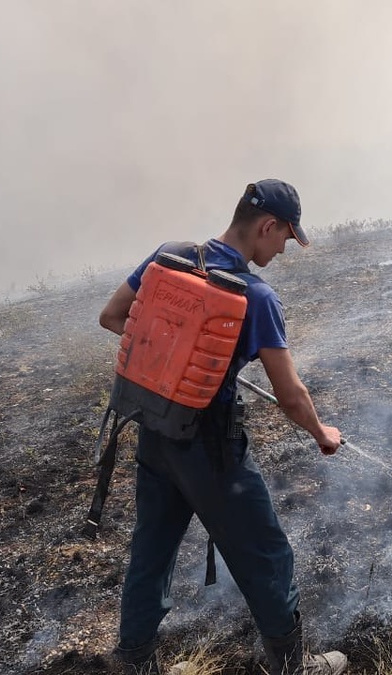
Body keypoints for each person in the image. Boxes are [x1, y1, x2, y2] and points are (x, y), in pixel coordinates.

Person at [97, 179, 348, 675]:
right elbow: (291, 395)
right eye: (286, 237)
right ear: (267, 226)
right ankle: (292, 667)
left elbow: (111, 317)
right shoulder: (256, 296)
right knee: (267, 554)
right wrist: (322, 433)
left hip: (155, 433)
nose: (283, 250)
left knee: (152, 550)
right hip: (212, 451)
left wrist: (176, 356)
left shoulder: (169, 257)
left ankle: (135, 662)